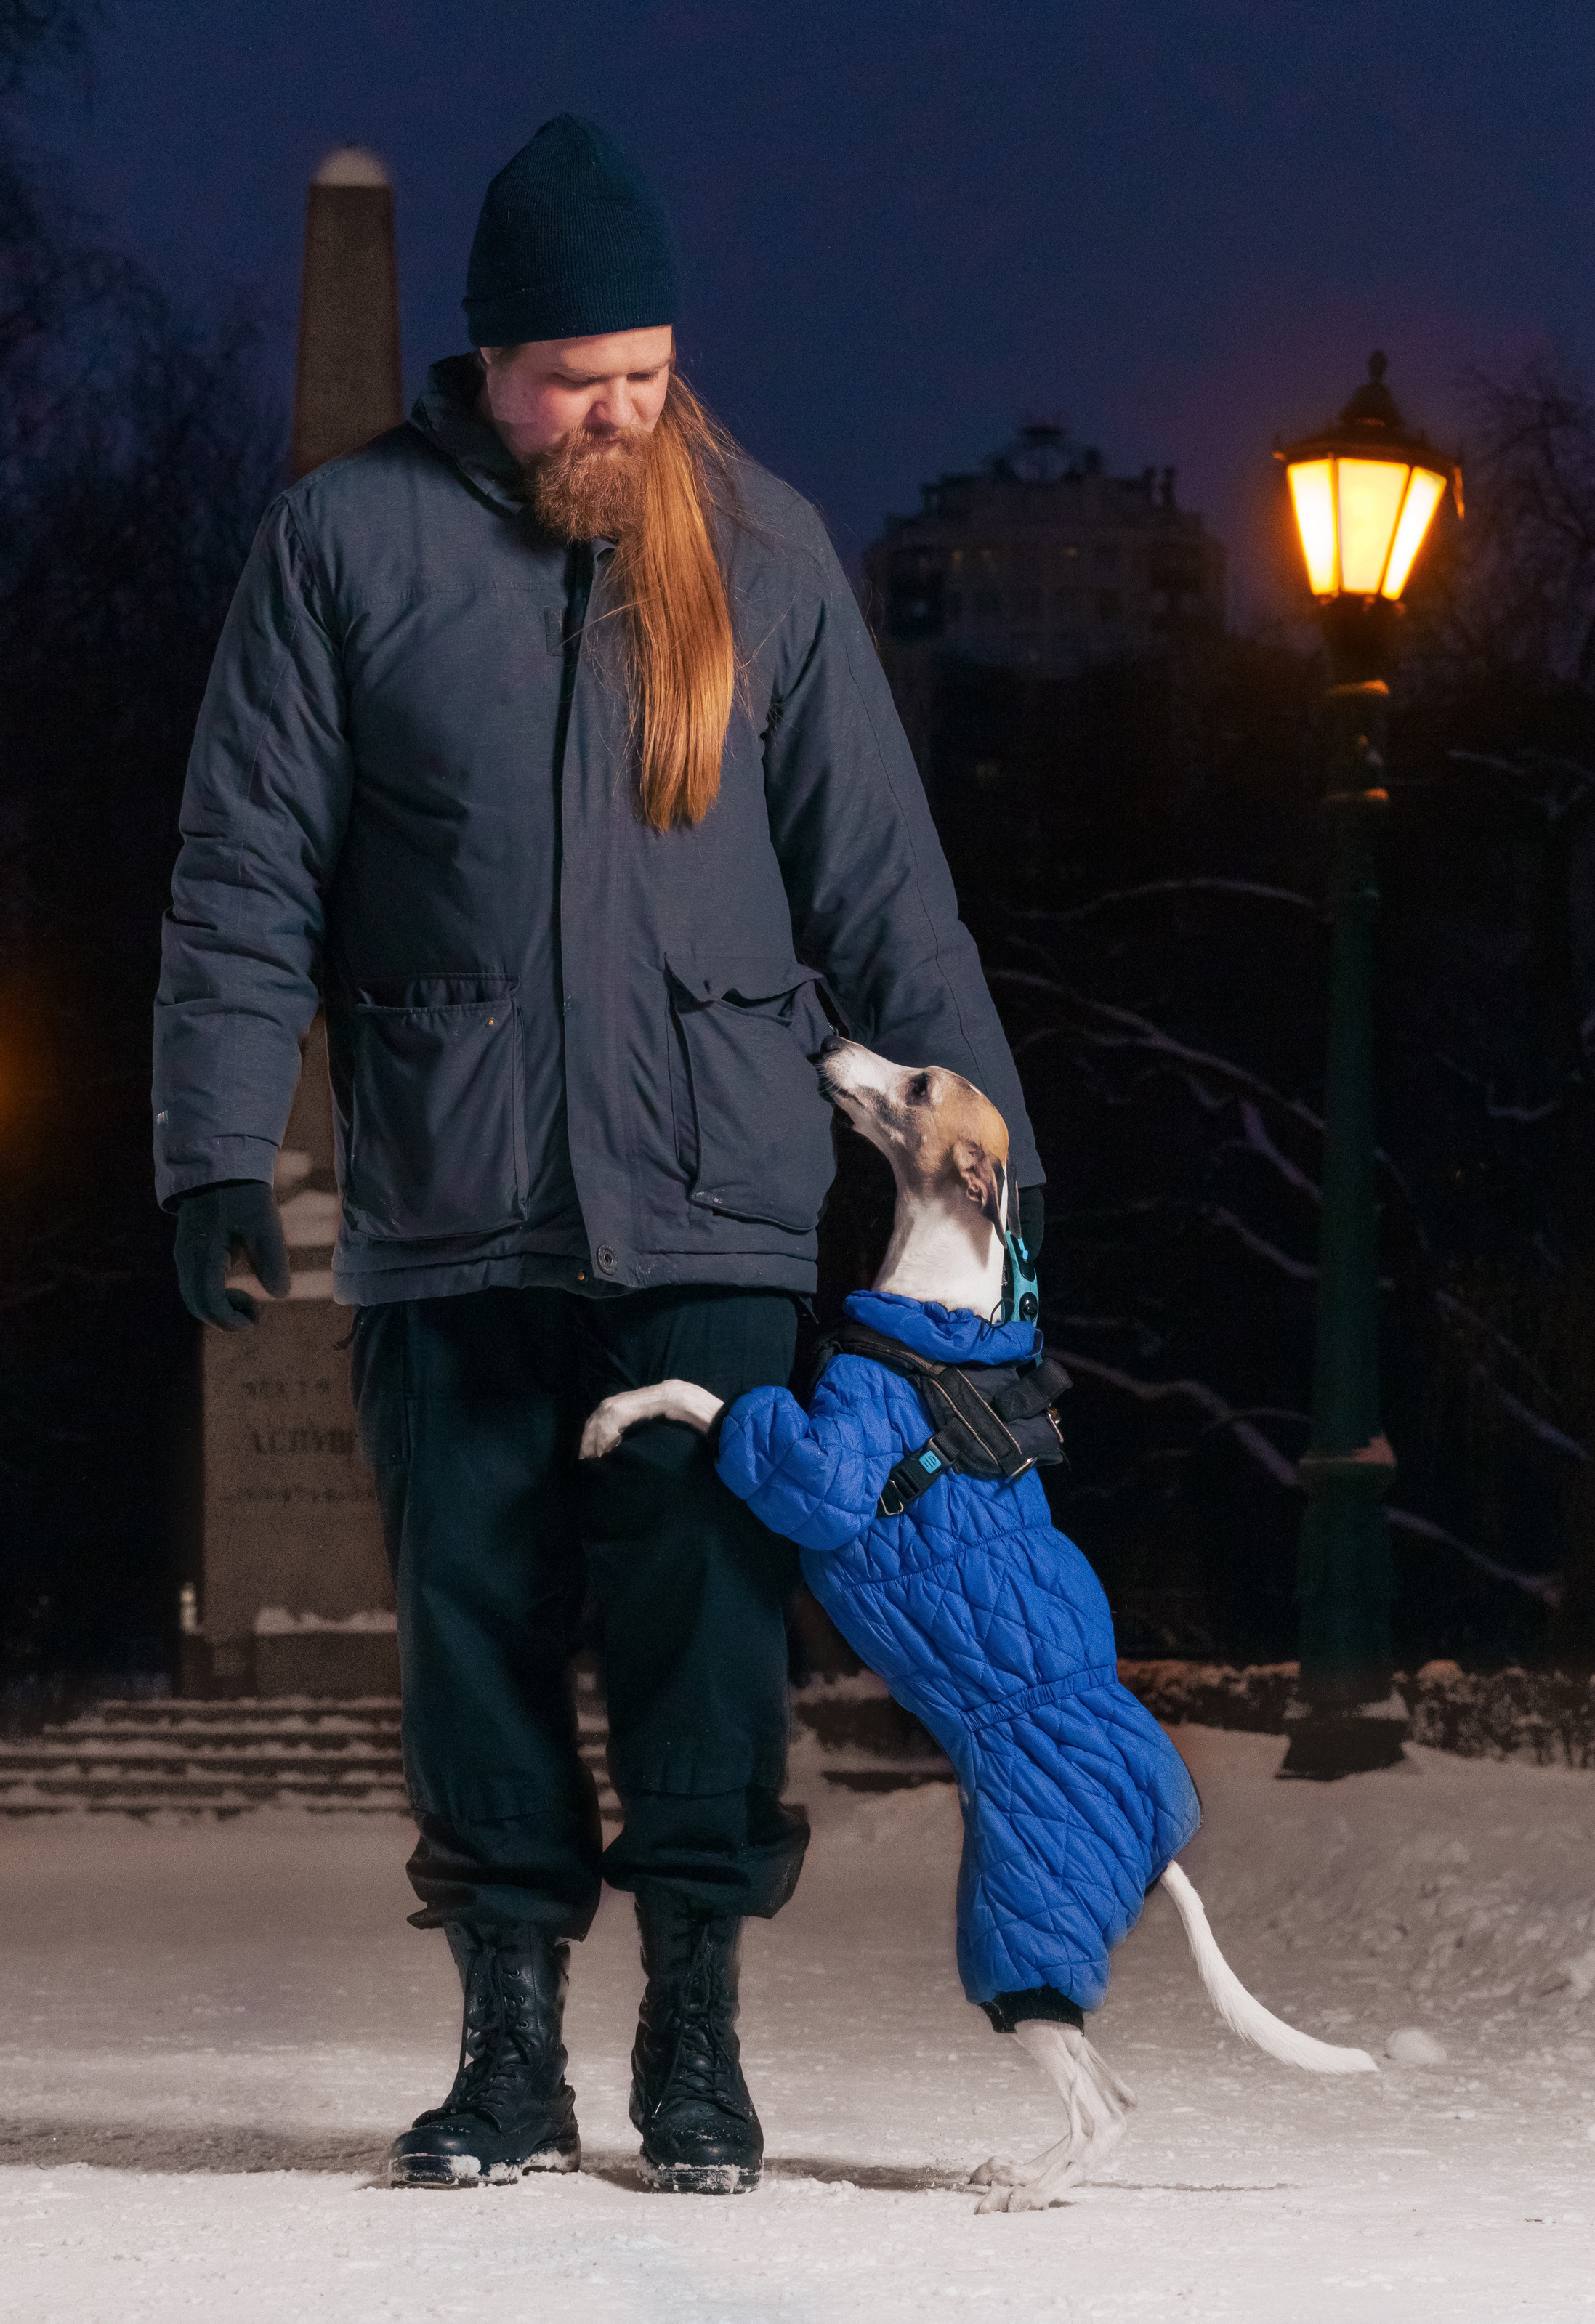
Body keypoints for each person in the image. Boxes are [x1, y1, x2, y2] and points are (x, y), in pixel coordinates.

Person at [153, 114, 1042, 2194]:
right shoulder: (342, 546)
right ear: (490, 362)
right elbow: (244, 872)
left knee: (706, 1628)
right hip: (450, 1207)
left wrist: (995, 1200)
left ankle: (697, 2035)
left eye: (646, 373)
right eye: (576, 380)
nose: (618, 413)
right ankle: (509, 2053)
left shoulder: (763, 546)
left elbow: (889, 895)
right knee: (473, 1631)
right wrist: (211, 1145)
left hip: (714, 1199)